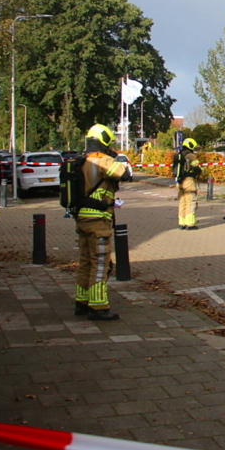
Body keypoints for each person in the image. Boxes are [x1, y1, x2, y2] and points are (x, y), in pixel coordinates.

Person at [74, 124, 132, 321]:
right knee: (100, 263)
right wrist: (117, 159)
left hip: (81, 217)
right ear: (104, 140)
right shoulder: (102, 159)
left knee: (85, 261)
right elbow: (125, 175)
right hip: (98, 219)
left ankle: (81, 301)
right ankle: (98, 307)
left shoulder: (81, 160)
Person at [175, 137, 203, 230]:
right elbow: (197, 169)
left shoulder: (179, 154)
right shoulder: (191, 156)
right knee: (191, 202)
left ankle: (181, 223)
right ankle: (190, 224)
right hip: (189, 181)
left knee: (182, 202)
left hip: (179, 182)